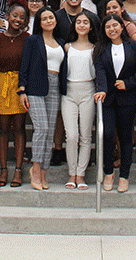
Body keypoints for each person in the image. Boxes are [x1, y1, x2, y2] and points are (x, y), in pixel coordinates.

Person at [94, 14, 136, 193]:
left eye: (115, 25)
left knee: (126, 137)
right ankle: (108, 172)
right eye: (108, 26)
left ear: (122, 27)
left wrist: (129, 83)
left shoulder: (132, 46)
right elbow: (100, 70)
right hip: (107, 98)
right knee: (107, 134)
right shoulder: (101, 48)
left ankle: (124, 176)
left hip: (128, 98)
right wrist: (102, 88)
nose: (112, 29)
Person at [19, 7, 64, 190]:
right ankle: (35, 168)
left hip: (55, 87)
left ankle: (44, 172)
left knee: (50, 130)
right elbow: (25, 65)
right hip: (36, 86)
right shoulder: (33, 40)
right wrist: (22, 90)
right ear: (39, 22)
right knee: (42, 128)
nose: (48, 21)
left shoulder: (61, 42)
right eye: (44, 18)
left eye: (51, 17)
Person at [0, 1, 29, 188]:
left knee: (19, 128)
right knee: (3, 128)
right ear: (7, 16)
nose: (18, 20)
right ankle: (4, 169)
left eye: (22, 17)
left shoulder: (27, 38)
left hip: (20, 87)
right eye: (15, 16)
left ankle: (18, 170)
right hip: (1, 85)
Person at [59, 12, 97, 190]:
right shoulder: (67, 47)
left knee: (85, 135)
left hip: (88, 90)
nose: (82, 25)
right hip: (69, 91)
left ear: (91, 26)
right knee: (72, 135)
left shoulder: (95, 48)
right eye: (79, 22)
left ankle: (81, 174)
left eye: (85, 22)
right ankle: (71, 172)